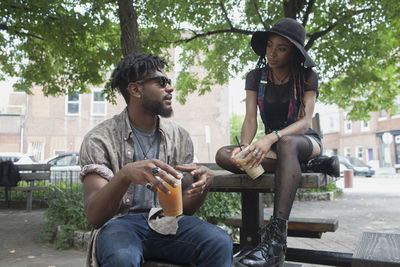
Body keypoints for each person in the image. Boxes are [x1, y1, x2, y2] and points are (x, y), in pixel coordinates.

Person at [79, 53, 233, 267]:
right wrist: (124, 176)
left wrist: (202, 185)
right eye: (161, 82)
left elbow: (183, 211)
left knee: (219, 242)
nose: (169, 88)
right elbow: (95, 217)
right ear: (135, 89)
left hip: (168, 222)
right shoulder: (99, 139)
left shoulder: (180, 137)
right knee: (122, 258)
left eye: (168, 82)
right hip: (120, 225)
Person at [215, 18, 339, 267]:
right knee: (223, 155)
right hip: (277, 149)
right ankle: (308, 167)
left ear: (293, 51)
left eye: (281, 48)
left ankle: (275, 243)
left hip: (304, 142)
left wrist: (272, 136)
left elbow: (305, 122)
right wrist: (246, 147)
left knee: (287, 145)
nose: (272, 53)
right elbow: (250, 119)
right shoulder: (255, 77)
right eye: (270, 45)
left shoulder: (307, 77)